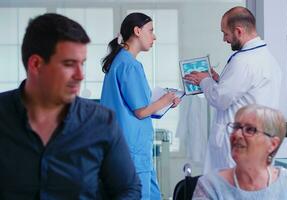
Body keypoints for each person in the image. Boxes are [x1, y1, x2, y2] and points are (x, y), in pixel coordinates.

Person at [0, 13, 141, 199]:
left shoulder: (101, 122)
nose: (80, 75)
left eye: (82, 64)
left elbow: (128, 190)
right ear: (36, 64)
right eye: (69, 64)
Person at [184, 6, 282, 173]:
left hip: (239, 144)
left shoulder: (244, 61)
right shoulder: (268, 59)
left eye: (225, 33)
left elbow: (219, 99)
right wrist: (218, 81)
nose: (224, 39)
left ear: (238, 31)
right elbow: (244, 93)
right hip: (258, 140)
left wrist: (204, 80)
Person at [100, 12, 180, 200]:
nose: (154, 37)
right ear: (137, 31)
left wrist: (164, 103)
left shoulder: (119, 62)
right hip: (132, 151)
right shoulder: (130, 65)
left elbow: (134, 107)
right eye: (151, 31)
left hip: (129, 149)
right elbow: (141, 111)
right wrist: (165, 100)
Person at [192, 104, 287, 200]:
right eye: (236, 127)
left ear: (272, 144)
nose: (237, 134)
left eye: (250, 129)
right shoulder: (210, 185)